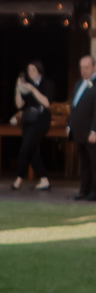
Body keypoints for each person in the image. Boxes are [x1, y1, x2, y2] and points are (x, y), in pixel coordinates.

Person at [10, 61, 54, 191]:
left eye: (33, 69)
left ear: (39, 70)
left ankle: (19, 178)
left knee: (25, 147)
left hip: (41, 121)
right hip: (28, 121)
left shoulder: (47, 84)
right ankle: (44, 179)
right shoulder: (27, 85)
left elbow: (46, 103)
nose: (31, 72)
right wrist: (18, 88)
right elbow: (19, 105)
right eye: (29, 70)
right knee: (30, 150)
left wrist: (32, 89)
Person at [66, 55, 94, 201]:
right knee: (84, 162)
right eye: (81, 67)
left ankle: (94, 191)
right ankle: (84, 190)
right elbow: (74, 106)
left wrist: (94, 130)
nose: (84, 70)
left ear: (94, 67)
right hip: (79, 131)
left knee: (94, 162)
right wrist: (70, 124)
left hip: (91, 131)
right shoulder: (78, 83)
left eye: (87, 67)